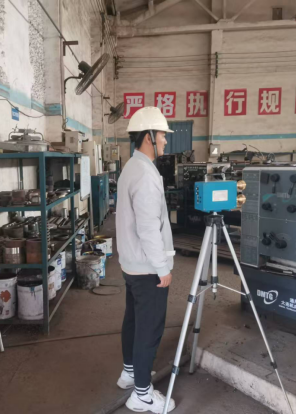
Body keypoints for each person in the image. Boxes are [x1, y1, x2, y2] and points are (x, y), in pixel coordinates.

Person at [115, 107, 176, 413]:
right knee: (149, 329)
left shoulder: (132, 167)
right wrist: (162, 268)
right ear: (149, 137)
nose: (165, 140)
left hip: (131, 263)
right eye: (162, 135)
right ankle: (142, 395)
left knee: (134, 320)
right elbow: (149, 228)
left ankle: (130, 372)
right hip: (147, 267)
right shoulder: (145, 175)